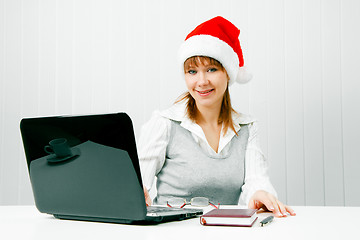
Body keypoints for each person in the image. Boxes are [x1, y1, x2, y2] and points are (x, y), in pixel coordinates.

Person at [138, 16, 295, 218]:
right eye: (192, 71)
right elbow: (138, 178)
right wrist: (135, 189)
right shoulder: (165, 123)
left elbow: (257, 180)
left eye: (211, 69)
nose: (201, 81)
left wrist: (260, 194)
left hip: (224, 231)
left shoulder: (246, 128)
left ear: (228, 73)